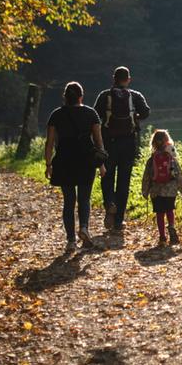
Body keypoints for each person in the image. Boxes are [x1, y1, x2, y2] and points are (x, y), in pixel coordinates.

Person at [43, 82, 105, 252]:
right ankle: (84, 227)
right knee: (84, 198)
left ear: (65, 97)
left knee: (69, 201)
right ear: (81, 96)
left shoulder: (56, 115)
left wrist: (48, 164)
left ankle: (71, 240)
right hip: (86, 161)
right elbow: (99, 141)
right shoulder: (91, 113)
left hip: (64, 161)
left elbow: (49, 143)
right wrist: (101, 164)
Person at [95, 66, 150, 234]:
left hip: (108, 143)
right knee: (124, 180)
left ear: (114, 78)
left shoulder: (105, 96)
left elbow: (95, 116)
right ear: (128, 79)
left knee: (107, 176)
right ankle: (119, 221)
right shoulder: (135, 95)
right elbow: (146, 112)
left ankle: (110, 203)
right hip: (128, 143)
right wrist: (135, 117)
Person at [140, 130, 182, 247]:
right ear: (168, 141)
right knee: (170, 210)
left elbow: (146, 177)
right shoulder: (171, 158)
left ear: (153, 143)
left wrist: (145, 191)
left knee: (159, 213)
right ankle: (171, 227)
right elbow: (178, 174)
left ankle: (162, 237)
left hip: (156, 191)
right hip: (170, 191)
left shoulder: (152, 160)